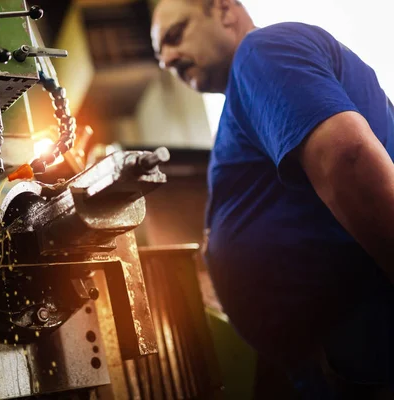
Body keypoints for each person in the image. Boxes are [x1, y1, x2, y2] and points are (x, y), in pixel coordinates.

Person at [151, 0, 394, 397]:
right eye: (160, 55)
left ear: (224, 9)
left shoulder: (259, 53)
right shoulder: (249, 90)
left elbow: (347, 159)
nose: (168, 60)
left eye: (175, 36)